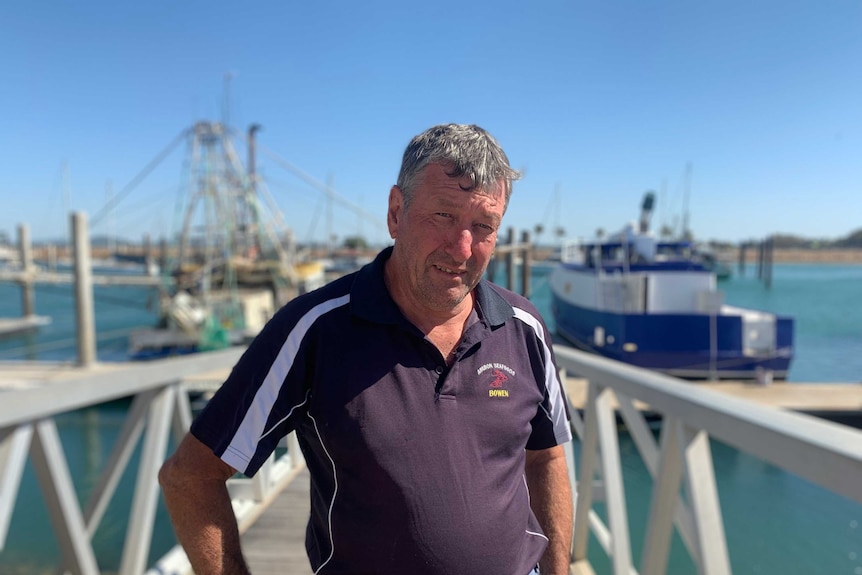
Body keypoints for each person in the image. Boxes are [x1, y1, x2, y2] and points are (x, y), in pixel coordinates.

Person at [159, 123, 574, 574]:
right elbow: (190, 477)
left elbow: (547, 457)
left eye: (483, 226)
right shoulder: (316, 330)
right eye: (443, 216)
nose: (461, 248)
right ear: (396, 212)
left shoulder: (524, 328)